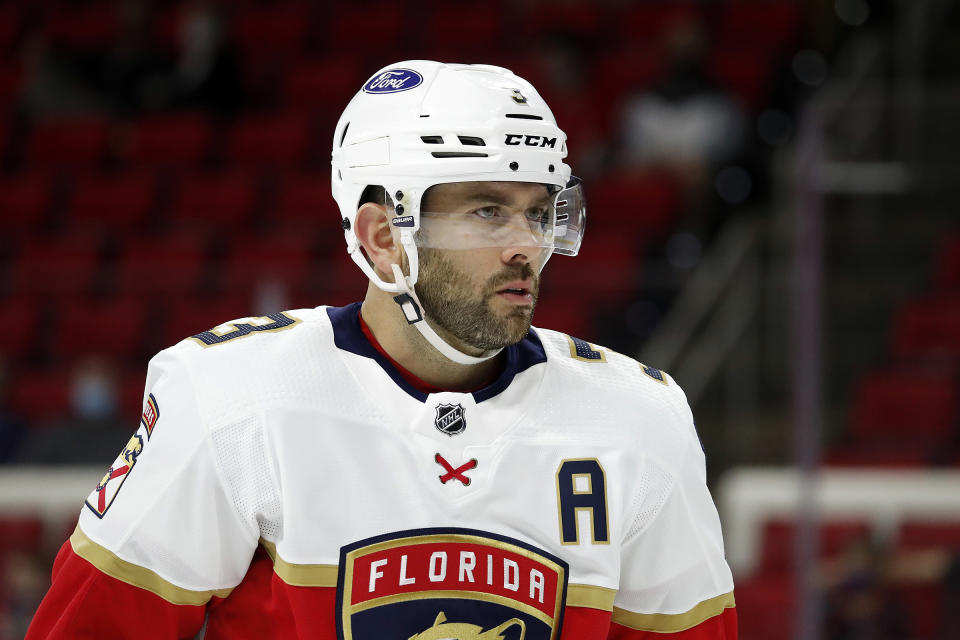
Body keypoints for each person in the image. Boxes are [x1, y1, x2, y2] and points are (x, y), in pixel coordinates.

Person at [26, 61, 736, 639]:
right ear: (381, 234)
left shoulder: (642, 418)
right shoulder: (231, 398)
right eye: (487, 210)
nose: (526, 246)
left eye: (537, 211)